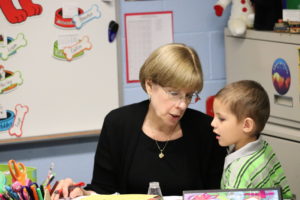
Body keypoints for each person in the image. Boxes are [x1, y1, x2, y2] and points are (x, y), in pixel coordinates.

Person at [51, 43, 227, 200]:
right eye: (173, 93)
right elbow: (103, 191)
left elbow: (217, 194)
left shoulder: (207, 129)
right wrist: (81, 193)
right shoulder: (118, 124)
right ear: (149, 85)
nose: (182, 105)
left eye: (189, 95)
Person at [211, 80, 293, 199]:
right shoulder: (264, 147)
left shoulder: (238, 172)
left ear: (247, 125)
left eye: (221, 119)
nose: (213, 123)